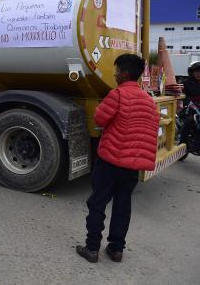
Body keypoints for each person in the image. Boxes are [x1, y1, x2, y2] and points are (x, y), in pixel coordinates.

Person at [76, 54, 159, 263]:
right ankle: (116, 249)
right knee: (123, 206)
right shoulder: (149, 101)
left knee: (97, 203)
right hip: (133, 166)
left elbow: (100, 119)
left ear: (125, 73)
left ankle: (92, 248)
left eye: (116, 71)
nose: (114, 75)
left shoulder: (118, 95)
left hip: (111, 161)